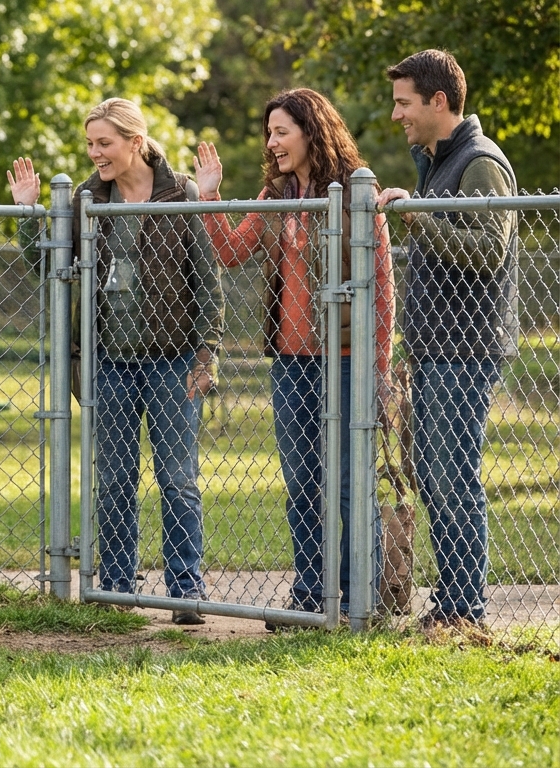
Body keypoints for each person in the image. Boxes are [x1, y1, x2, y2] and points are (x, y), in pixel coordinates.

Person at [8, 98, 224, 625]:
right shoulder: (85, 199)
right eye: (89, 143)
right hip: (109, 363)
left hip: (173, 363)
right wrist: (27, 213)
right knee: (117, 477)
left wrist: (207, 352)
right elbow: (45, 263)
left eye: (103, 142)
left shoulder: (181, 195)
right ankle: (120, 588)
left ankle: (185, 590)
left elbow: (209, 281)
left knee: (177, 477)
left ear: (135, 141)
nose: (94, 153)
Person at [194, 88, 394, 626]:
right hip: (292, 362)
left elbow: (382, 284)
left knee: (351, 482)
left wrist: (380, 368)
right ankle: (310, 595)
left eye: (282, 130)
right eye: (269, 132)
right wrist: (209, 197)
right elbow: (231, 252)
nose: (272, 141)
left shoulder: (356, 191)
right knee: (302, 481)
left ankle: (359, 598)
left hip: (350, 359)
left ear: (312, 131)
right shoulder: (277, 193)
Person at [376, 49, 518, 629]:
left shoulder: (481, 162)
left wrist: (419, 215)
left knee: (453, 475)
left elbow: (490, 250)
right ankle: (452, 606)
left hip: (468, 348)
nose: (395, 115)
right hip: (434, 346)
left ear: (440, 101)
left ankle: (466, 610)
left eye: (403, 103)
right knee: (433, 476)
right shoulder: (434, 158)